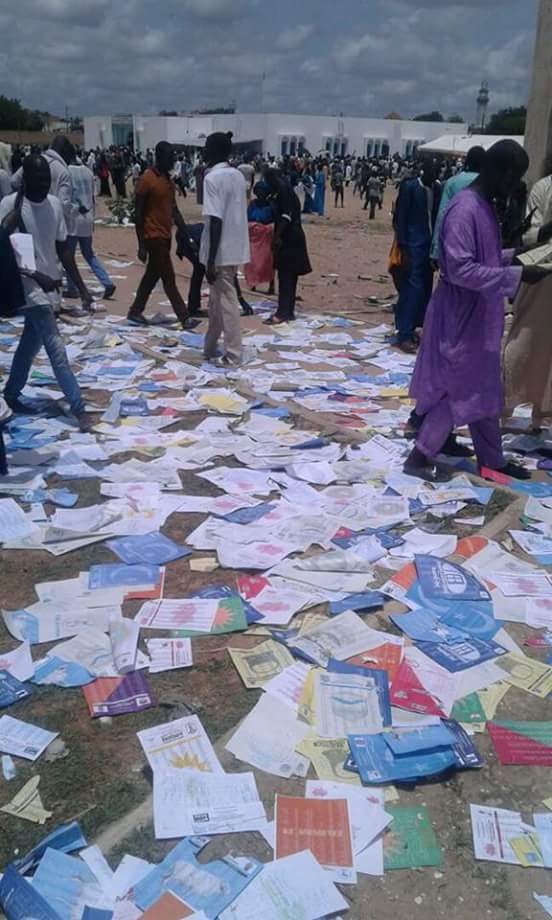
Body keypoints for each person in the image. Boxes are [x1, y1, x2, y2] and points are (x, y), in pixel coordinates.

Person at [403, 140, 548, 483]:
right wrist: (517, 275)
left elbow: (483, 258)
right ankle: (419, 456)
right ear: (501, 172)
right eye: (515, 177)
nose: (515, 187)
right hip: (458, 318)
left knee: (484, 389)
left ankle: (492, 460)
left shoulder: (483, 207)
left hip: (478, 318)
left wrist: (518, 256)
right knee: (457, 390)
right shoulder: (464, 209)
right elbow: (459, 269)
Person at [0, 154, 92, 430]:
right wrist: (36, 275)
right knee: (56, 350)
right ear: (24, 179)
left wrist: (83, 288)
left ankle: (11, 395)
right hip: (27, 289)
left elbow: (63, 248)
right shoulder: (9, 206)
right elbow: (4, 252)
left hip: (50, 288)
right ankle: (79, 407)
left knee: (30, 345)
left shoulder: (53, 205)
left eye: (46, 179)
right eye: (37, 179)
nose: (42, 184)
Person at [503, 154, 552, 430]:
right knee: (526, 338)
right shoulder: (544, 187)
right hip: (542, 273)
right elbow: (532, 235)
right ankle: (506, 405)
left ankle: (541, 415)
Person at [200, 132, 250, 365]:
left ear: (215, 151)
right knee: (216, 302)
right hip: (235, 245)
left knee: (227, 302)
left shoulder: (212, 179)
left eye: (207, 148)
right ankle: (210, 347)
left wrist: (210, 260)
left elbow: (216, 220)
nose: (204, 152)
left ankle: (233, 354)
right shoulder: (238, 176)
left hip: (219, 251)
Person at [127, 141, 190, 327]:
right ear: (159, 157)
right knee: (169, 278)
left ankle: (135, 311)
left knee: (151, 276)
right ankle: (184, 316)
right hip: (152, 236)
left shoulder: (167, 181)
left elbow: (174, 209)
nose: (172, 161)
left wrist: (185, 233)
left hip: (165, 235)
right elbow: (138, 214)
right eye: (169, 158)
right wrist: (141, 245)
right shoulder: (147, 179)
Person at [393, 160, 439, 353]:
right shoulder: (410, 187)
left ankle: (416, 329)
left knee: (425, 290)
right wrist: (402, 245)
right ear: (423, 171)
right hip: (412, 244)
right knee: (411, 288)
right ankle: (403, 332)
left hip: (428, 245)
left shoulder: (436, 189)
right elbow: (400, 218)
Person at [262, 168, 312, 324]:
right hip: (294, 235)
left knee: (285, 276)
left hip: (288, 237)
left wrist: (276, 237)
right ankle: (288, 310)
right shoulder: (287, 190)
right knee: (290, 276)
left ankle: (282, 313)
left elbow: (286, 215)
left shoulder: (283, 191)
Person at [65, 156, 116, 301]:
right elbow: (93, 197)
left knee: (69, 255)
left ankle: (72, 287)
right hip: (87, 217)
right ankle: (106, 282)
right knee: (89, 254)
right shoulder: (88, 172)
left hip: (74, 217)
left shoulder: (67, 171)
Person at [430, 146, 486, 262]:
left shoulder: (452, 182)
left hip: (453, 242)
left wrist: (436, 251)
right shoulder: (486, 184)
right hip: (478, 245)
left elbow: (442, 215)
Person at [244, 180, 275, 295]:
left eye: (263, 192)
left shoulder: (271, 206)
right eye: (259, 192)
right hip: (253, 236)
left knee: (268, 261)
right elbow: (247, 217)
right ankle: (253, 283)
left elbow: (273, 220)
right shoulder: (252, 204)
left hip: (265, 237)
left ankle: (271, 285)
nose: (261, 194)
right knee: (252, 260)